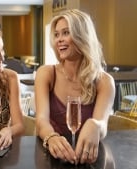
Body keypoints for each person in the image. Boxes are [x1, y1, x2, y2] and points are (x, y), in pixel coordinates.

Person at [35, 9, 115, 165]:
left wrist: (95, 125)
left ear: (82, 36)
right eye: (56, 34)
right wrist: (52, 137)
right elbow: (41, 120)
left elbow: (102, 125)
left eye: (66, 33)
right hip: (51, 157)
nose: (59, 40)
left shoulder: (104, 81)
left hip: (86, 158)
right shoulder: (46, 73)